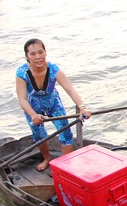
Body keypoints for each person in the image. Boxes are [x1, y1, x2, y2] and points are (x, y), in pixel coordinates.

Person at [15, 39, 92, 171]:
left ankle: (66, 167)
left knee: (65, 132)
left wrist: (82, 107)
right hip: (32, 107)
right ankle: (46, 159)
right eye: (33, 54)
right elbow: (22, 99)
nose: (38, 57)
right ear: (27, 56)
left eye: (40, 52)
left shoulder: (53, 69)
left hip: (53, 103)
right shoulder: (22, 73)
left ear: (45, 52)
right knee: (39, 135)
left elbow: (70, 90)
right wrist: (33, 115)